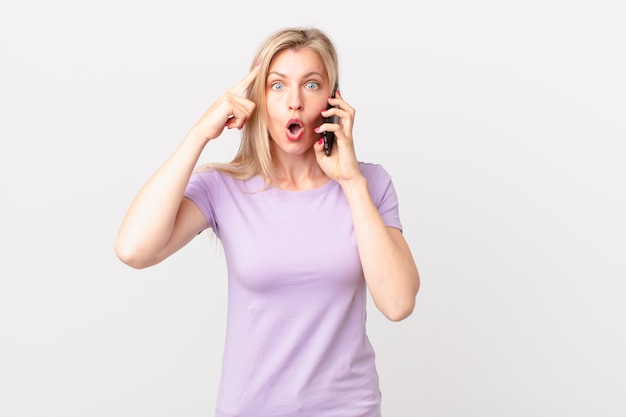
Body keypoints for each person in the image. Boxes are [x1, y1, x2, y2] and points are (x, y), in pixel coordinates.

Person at [115, 27, 420, 417]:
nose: (294, 102)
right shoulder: (223, 188)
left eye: (311, 84)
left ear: (333, 99)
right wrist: (200, 134)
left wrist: (350, 182)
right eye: (277, 86)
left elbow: (397, 303)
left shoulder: (369, 184)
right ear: (258, 99)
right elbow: (133, 250)